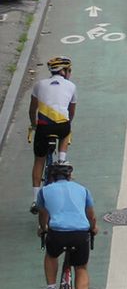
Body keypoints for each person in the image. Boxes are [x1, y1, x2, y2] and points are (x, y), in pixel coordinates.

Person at [37, 160, 98, 289]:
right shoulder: (82, 189)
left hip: (57, 233)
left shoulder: (45, 191)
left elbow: (43, 216)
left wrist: (43, 229)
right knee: (81, 268)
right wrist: (94, 228)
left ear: (51, 177)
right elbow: (91, 216)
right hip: (80, 234)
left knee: (51, 255)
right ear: (70, 176)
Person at [29, 56, 76, 214]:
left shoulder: (39, 85)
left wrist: (33, 124)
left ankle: (35, 199)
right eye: (69, 70)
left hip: (43, 127)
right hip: (62, 126)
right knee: (66, 128)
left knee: (39, 161)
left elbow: (32, 110)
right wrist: (68, 123)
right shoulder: (71, 86)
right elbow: (71, 112)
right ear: (64, 71)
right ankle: (62, 159)